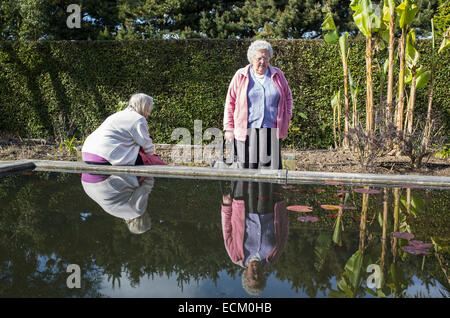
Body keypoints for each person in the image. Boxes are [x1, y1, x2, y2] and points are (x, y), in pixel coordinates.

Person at [223, 40, 293, 169]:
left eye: (265, 58)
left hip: (271, 130)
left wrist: (287, 116)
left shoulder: (277, 75)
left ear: (269, 58)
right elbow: (230, 102)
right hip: (246, 131)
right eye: (259, 58)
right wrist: (228, 128)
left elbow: (288, 97)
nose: (262, 62)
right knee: (245, 170)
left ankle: (269, 190)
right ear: (251, 59)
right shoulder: (240, 75)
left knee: (270, 171)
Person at [220, 181, 289, 296]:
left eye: (253, 277)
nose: (256, 274)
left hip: (243, 207)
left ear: (246, 276)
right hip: (269, 207)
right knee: (269, 174)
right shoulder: (273, 258)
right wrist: (282, 208)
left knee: (245, 173)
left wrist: (226, 206)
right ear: (263, 276)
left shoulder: (235, 256)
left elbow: (226, 230)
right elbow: (284, 233)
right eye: (259, 278)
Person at [82, 93, 165, 166]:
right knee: (153, 161)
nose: (149, 113)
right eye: (149, 109)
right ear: (144, 107)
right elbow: (147, 146)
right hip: (104, 156)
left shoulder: (118, 115)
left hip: (87, 154)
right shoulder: (138, 119)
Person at [81, 173, 154, 234]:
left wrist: (151, 175)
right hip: (86, 181)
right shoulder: (118, 213)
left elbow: (145, 187)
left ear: (144, 220)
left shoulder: (137, 212)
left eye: (149, 218)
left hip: (103, 179)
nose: (149, 215)